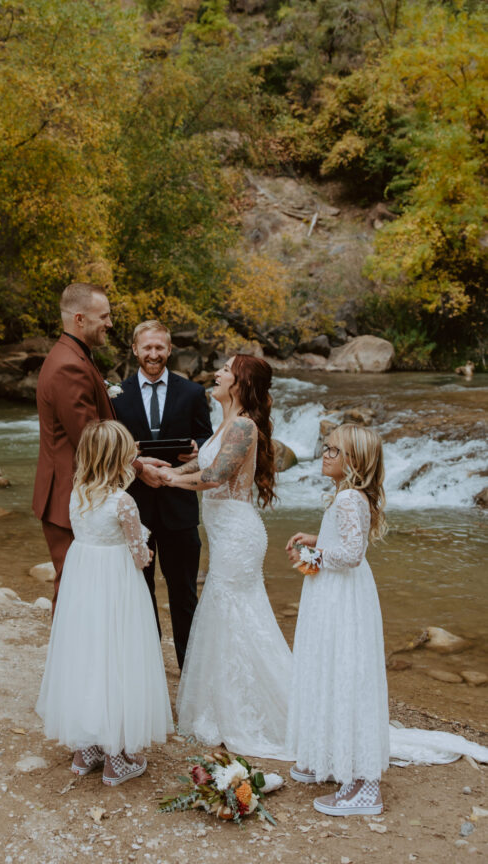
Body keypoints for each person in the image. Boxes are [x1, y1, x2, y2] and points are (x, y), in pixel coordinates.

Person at [159, 354, 292, 757]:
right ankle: (226, 704)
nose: (216, 373)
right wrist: (170, 472)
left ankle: (248, 711)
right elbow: (206, 465)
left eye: (225, 369)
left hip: (237, 533)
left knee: (233, 613)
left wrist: (169, 480)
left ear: (239, 382)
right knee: (225, 614)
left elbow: (215, 476)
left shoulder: (243, 425)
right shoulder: (227, 423)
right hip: (225, 532)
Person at [35, 420, 173, 786]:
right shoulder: (123, 501)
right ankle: (116, 758)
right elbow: (141, 557)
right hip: (117, 589)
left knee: (88, 657)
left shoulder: (77, 491)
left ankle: (87, 750)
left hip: (83, 589)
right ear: (119, 459)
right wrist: (143, 540)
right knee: (117, 658)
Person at [32, 283, 164, 607]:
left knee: (84, 587)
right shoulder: (69, 365)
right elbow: (90, 438)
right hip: (68, 495)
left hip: (79, 494)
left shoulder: (76, 355)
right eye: (103, 316)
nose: (110, 323)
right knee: (74, 588)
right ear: (79, 318)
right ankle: (69, 658)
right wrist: (140, 467)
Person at [284, 424, 390, 816]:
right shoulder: (348, 496)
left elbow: (351, 555)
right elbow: (344, 543)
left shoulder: (348, 498)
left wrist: (312, 558)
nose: (325, 454)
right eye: (325, 448)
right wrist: (316, 540)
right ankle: (332, 758)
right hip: (339, 592)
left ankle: (364, 786)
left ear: (354, 462)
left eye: (334, 450)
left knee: (346, 672)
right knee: (331, 669)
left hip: (341, 595)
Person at [113, 320, 212, 669]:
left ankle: (191, 672)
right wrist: (131, 456)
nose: (153, 354)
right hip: (134, 510)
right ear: (135, 350)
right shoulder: (116, 396)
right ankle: (149, 673)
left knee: (184, 593)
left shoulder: (192, 393)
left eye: (159, 347)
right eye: (147, 348)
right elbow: (108, 449)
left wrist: (195, 449)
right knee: (140, 594)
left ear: (169, 350)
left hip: (180, 508)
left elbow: (207, 439)